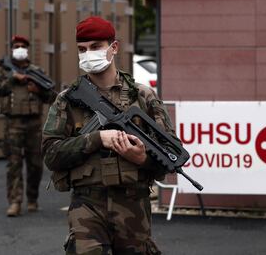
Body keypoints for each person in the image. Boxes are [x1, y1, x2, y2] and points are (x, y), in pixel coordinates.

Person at [42, 16, 177, 255]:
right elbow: (51, 155)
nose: (88, 54)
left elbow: (170, 155)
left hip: (133, 204)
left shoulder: (143, 96)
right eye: (82, 49)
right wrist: (97, 139)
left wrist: (141, 159)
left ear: (113, 47)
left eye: (95, 47)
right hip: (87, 205)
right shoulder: (67, 99)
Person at [0, 35, 56, 217]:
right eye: (16, 46)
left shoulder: (36, 72)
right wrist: (14, 79)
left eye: (23, 46)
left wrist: (37, 90)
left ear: (27, 50)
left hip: (34, 124)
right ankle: (15, 202)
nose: (19, 48)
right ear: (12, 49)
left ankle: (33, 198)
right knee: (14, 164)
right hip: (13, 123)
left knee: (35, 164)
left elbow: (52, 96)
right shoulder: (4, 72)